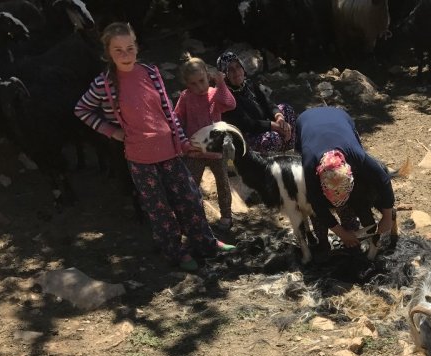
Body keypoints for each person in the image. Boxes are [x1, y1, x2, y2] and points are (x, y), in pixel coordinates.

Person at [75, 23, 236, 273]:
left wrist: (182, 141)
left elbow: (169, 113)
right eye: (118, 50)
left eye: (130, 48)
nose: (126, 54)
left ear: (137, 47)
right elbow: (82, 109)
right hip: (141, 159)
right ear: (108, 52)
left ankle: (206, 243)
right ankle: (177, 253)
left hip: (170, 151)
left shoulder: (150, 72)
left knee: (191, 198)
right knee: (160, 209)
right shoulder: (104, 83)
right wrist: (112, 131)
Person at [295, 106, 395, 251]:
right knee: (313, 204)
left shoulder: (356, 155)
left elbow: (383, 179)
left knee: (354, 197)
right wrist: (341, 234)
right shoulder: (309, 165)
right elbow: (316, 202)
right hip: (305, 120)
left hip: (340, 117)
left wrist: (386, 216)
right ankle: (323, 241)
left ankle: (350, 225)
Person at [174, 54, 236, 231]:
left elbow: (230, 104)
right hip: (195, 149)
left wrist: (221, 83)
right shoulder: (186, 97)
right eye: (193, 84)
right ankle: (195, 217)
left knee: (222, 182)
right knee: (191, 183)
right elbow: (176, 119)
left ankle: (226, 216)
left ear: (208, 77)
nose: (199, 87)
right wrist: (183, 143)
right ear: (187, 84)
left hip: (216, 148)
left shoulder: (215, 94)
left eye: (202, 81)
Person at [217, 51, 296, 155]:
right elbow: (247, 124)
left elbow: (267, 102)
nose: (236, 71)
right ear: (224, 75)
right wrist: (273, 126)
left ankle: (290, 150)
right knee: (271, 139)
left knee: (286, 109)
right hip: (248, 136)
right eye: (230, 70)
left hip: (265, 125)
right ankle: (271, 162)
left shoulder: (249, 84)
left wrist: (279, 117)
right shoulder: (226, 97)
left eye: (238, 66)